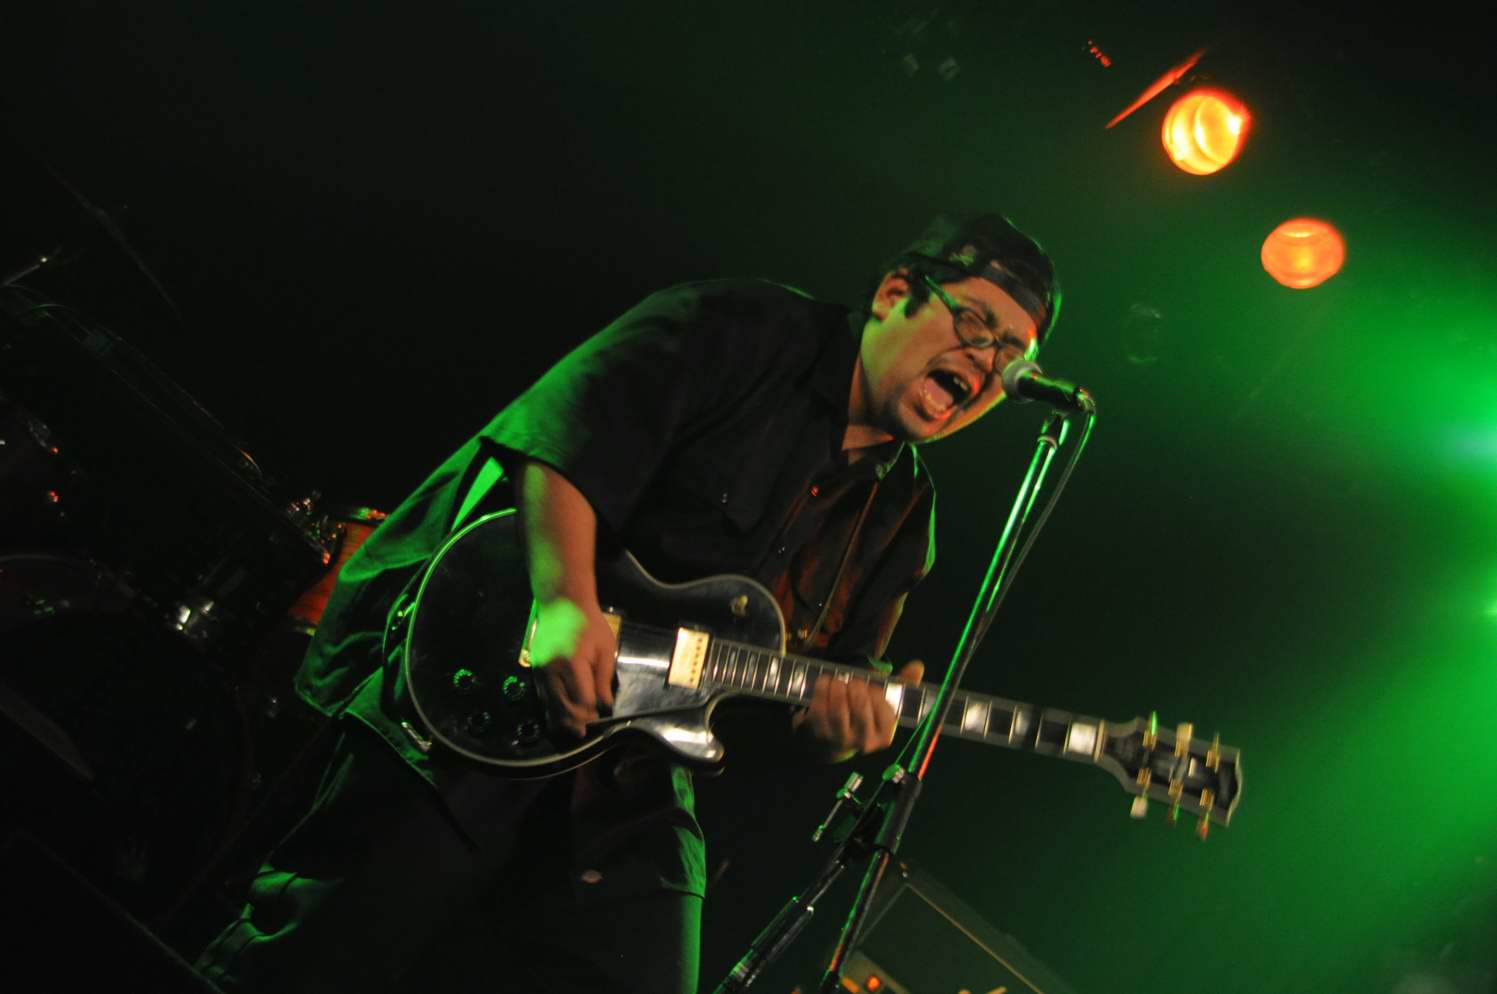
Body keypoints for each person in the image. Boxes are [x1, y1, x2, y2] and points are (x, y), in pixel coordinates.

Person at [195, 211, 1060, 993]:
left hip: (636, 767)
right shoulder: (743, 327)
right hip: (490, 666)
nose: (989, 366)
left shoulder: (904, 518)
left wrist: (839, 731)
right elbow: (564, 431)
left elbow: (809, 698)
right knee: (328, 950)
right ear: (896, 293)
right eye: (976, 326)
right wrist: (567, 600)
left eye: (1013, 357)